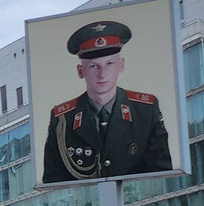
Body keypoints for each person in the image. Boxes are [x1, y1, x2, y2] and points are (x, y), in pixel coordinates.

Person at [41, 19, 172, 184]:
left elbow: (161, 173)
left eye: (109, 64)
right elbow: (54, 181)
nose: (102, 74)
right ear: (80, 71)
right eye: (94, 66)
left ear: (121, 65)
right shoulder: (62, 119)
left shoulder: (145, 109)